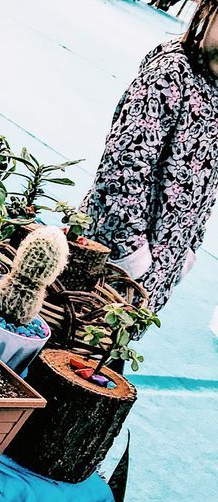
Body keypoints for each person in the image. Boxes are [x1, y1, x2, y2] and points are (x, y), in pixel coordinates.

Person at [81, 0, 218, 312]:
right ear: (208, 9)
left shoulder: (216, 86)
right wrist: (134, 257)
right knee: (68, 349)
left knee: (102, 355)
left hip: (154, 277)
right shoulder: (171, 73)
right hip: (109, 268)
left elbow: (207, 185)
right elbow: (123, 167)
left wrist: (187, 252)